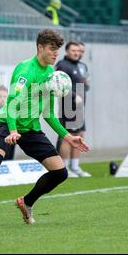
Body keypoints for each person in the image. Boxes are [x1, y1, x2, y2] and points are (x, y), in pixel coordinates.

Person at [0, 29, 90, 224]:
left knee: (60, 173)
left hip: (31, 129)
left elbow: (48, 114)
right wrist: (12, 130)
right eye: (52, 49)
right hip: (7, 123)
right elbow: (11, 103)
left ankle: (27, 202)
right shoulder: (25, 70)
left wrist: (68, 136)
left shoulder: (51, 74)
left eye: (57, 50)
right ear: (40, 47)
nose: (56, 54)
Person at [55, 41, 91, 177]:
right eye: (74, 50)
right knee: (67, 136)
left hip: (80, 108)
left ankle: (75, 166)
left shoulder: (82, 66)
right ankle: (64, 168)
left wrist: (86, 85)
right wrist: (74, 96)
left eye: (79, 51)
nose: (77, 53)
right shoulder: (62, 65)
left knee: (80, 135)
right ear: (67, 51)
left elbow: (85, 85)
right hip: (68, 106)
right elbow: (57, 84)